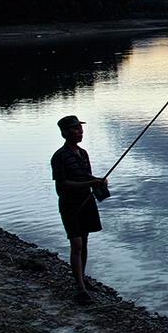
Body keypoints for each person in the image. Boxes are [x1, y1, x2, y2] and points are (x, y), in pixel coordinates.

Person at [51, 115, 108, 305]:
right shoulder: (59, 157)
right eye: (75, 129)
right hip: (70, 205)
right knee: (76, 245)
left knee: (84, 242)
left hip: (87, 202)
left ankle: (81, 279)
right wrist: (91, 182)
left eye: (80, 128)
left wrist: (97, 180)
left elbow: (85, 176)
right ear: (65, 133)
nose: (80, 132)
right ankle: (80, 289)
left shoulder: (83, 153)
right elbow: (62, 185)